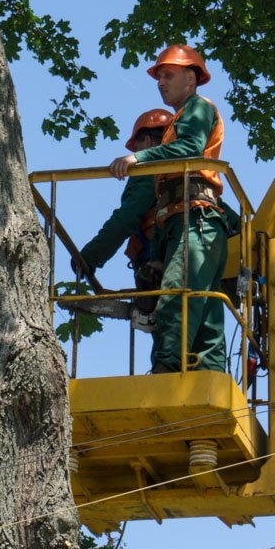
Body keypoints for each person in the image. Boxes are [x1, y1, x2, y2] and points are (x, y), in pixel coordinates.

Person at [109, 44, 228, 374]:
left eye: (168, 75)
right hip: (183, 219)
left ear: (190, 79)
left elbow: (190, 147)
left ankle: (166, 370)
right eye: (159, 76)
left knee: (178, 296)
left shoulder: (199, 108)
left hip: (196, 218)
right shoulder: (179, 120)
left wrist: (139, 158)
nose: (161, 82)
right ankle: (209, 376)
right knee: (205, 310)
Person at [74, 109, 172, 327]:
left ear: (146, 141)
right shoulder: (190, 171)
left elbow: (125, 219)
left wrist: (89, 257)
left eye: (135, 148)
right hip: (191, 256)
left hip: (163, 259)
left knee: (169, 337)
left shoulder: (149, 170)